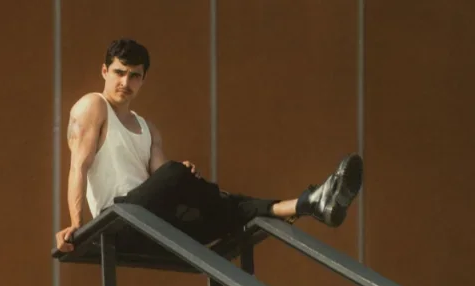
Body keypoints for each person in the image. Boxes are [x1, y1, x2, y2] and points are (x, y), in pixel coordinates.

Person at [55, 38, 363, 253]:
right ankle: (307, 201)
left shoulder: (148, 128)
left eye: (134, 76)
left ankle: (308, 204)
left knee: (227, 217)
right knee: (183, 177)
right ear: (104, 71)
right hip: (117, 220)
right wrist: (77, 225)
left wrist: (183, 177)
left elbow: (163, 177)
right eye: (120, 73)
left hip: (151, 222)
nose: (126, 82)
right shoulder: (93, 106)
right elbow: (78, 166)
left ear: (143, 80)